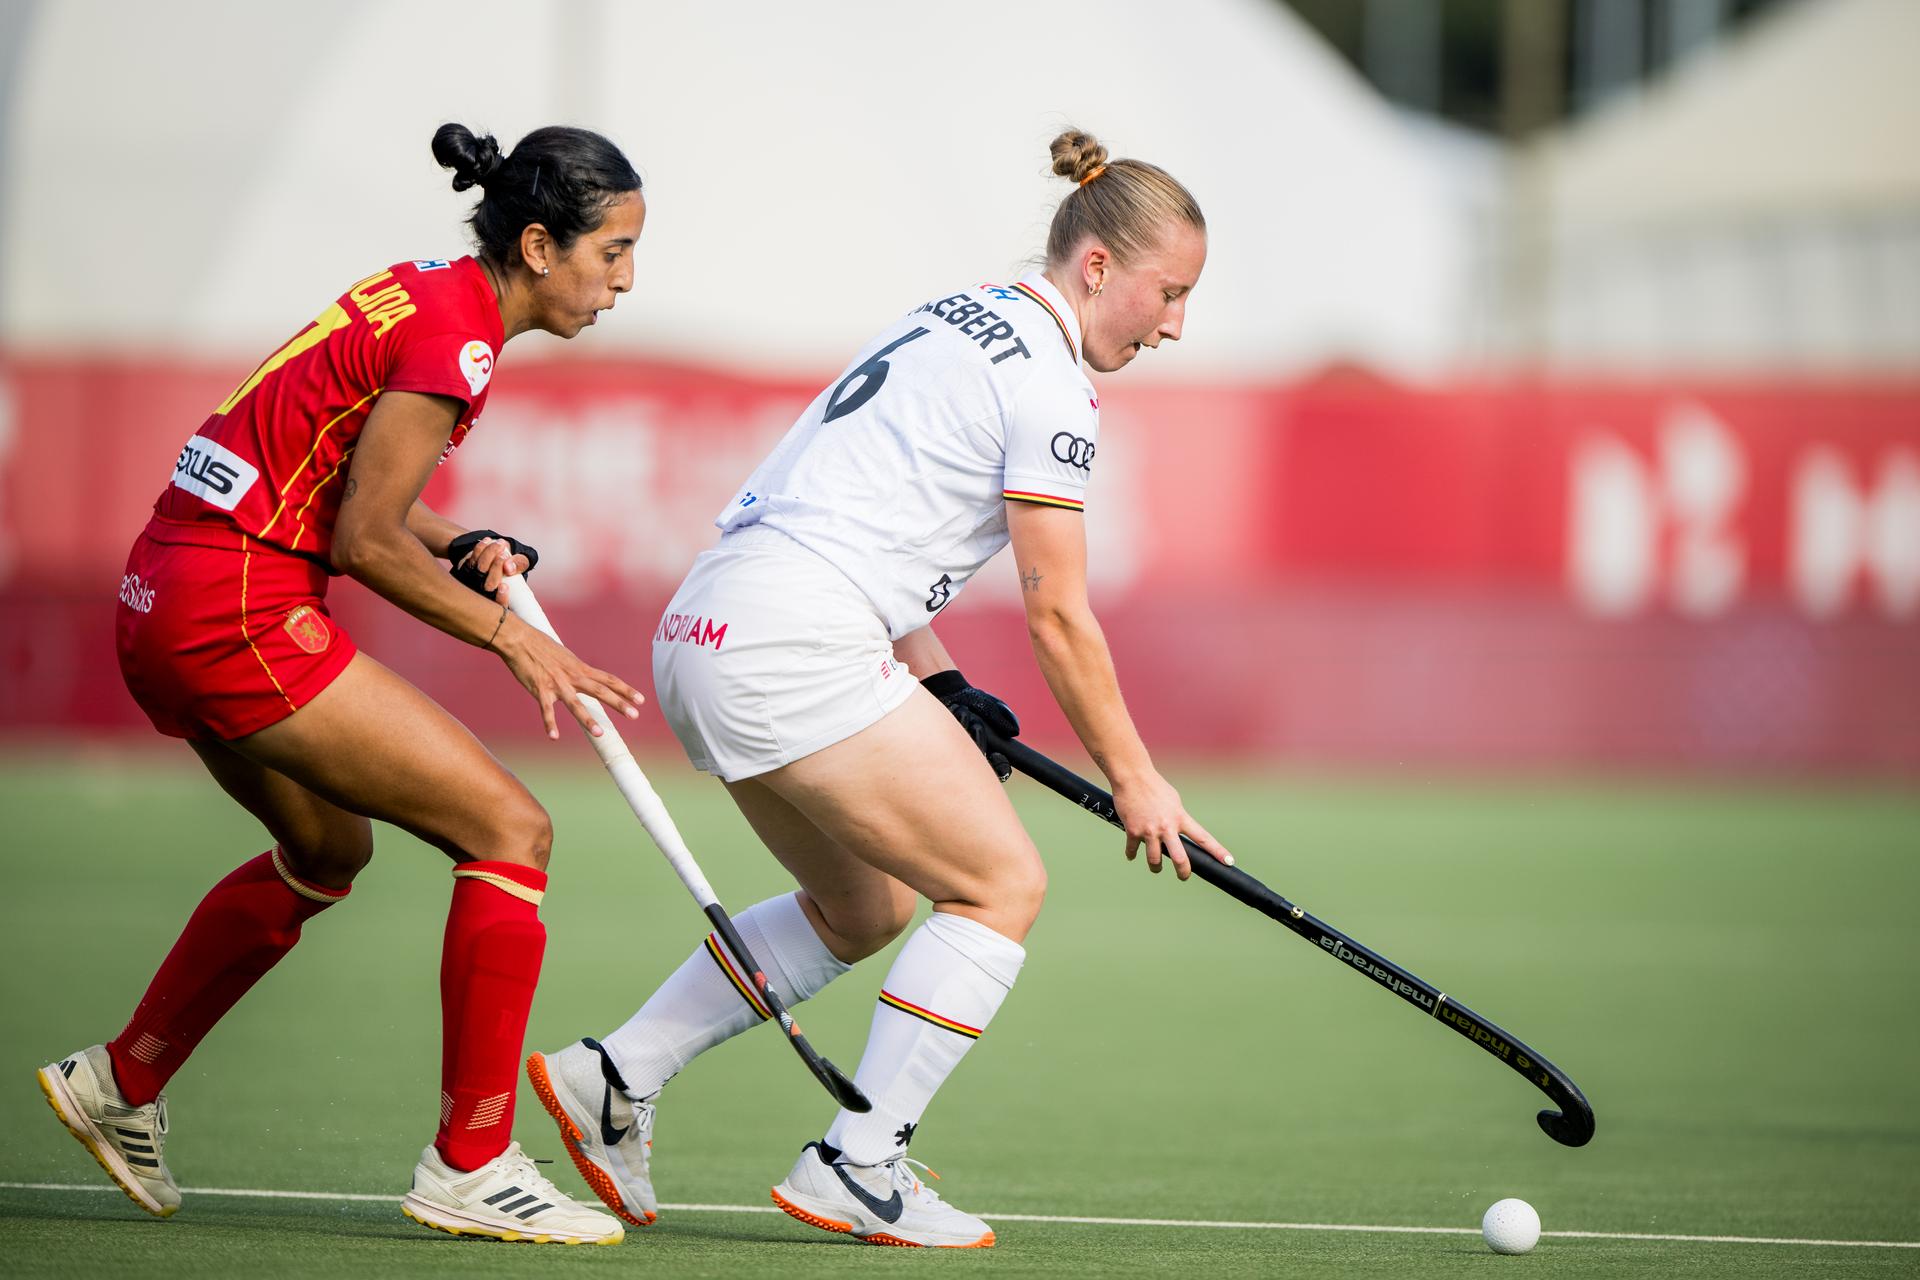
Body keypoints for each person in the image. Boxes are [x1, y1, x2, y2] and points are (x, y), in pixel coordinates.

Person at [526, 127, 1233, 1249]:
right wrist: (1139, 780)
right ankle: (860, 1160)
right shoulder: (1053, 386)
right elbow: (1058, 611)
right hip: (795, 643)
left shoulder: (950, 312)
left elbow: (859, 510)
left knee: (864, 907)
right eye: (1170, 292)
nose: (1174, 324)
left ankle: (616, 1072)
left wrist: (943, 681)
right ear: (1099, 267)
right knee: (1000, 883)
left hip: (708, 625)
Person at [36, 123, 648, 1247]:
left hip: (165, 590)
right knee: (512, 828)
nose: (624, 280)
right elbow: (364, 539)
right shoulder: (460, 340)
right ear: (537, 243)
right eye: (610, 252)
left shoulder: (419, 289)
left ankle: (121, 1079)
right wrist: (514, 641)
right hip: (236, 606)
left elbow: (349, 477)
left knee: (328, 852)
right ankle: (472, 1161)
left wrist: (457, 538)